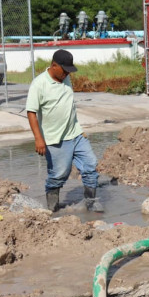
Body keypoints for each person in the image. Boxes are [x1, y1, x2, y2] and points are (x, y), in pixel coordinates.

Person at [26, 49, 103, 212]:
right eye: (64, 70)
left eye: (69, 71)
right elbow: (31, 112)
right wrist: (38, 139)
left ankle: (91, 202)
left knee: (90, 165)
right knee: (59, 174)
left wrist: (78, 128)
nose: (67, 74)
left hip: (75, 133)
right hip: (55, 139)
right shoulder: (39, 84)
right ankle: (52, 208)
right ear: (54, 66)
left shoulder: (65, 78)